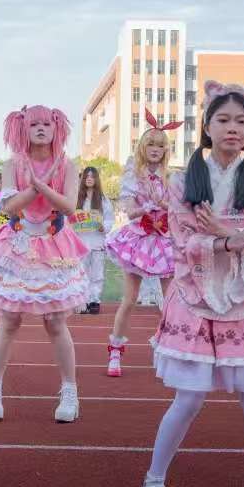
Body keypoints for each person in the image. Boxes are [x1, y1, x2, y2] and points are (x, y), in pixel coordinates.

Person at [140, 82, 244, 487]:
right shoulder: (183, 181)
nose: (233, 128)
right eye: (223, 120)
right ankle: (154, 480)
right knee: (188, 399)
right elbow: (181, 240)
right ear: (206, 126)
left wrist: (223, 234)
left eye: (242, 121)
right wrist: (227, 241)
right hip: (196, 296)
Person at [0, 105, 88, 422]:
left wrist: (45, 184)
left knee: (56, 322)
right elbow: (9, 207)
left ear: (56, 128)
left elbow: (69, 207)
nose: (41, 128)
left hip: (54, 245)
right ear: (23, 129)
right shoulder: (13, 164)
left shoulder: (68, 165)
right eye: (34, 123)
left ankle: (70, 391)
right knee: (9, 320)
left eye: (46, 123)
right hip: (17, 244)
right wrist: (37, 185)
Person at [104, 111, 180, 377]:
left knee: (170, 301)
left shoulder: (172, 177)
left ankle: (168, 349)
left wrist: (164, 205)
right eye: (151, 144)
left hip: (164, 240)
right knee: (130, 298)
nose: (156, 149)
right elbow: (129, 210)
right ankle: (115, 351)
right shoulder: (132, 174)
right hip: (138, 238)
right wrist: (147, 206)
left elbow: (177, 209)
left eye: (160, 145)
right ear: (142, 147)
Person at [73, 166, 114, 315]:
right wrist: (72, 226)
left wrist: (104, 227)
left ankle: (94, 300)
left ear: (96, 179)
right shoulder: (76, 199)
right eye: (87, 176)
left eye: (92, 176)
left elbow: (109, 219)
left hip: (97, 242)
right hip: (81, 242)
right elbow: (68, 218)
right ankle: (82, 301)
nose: (89, 179)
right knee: (81, 272)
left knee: (97, 273)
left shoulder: (103, 200)